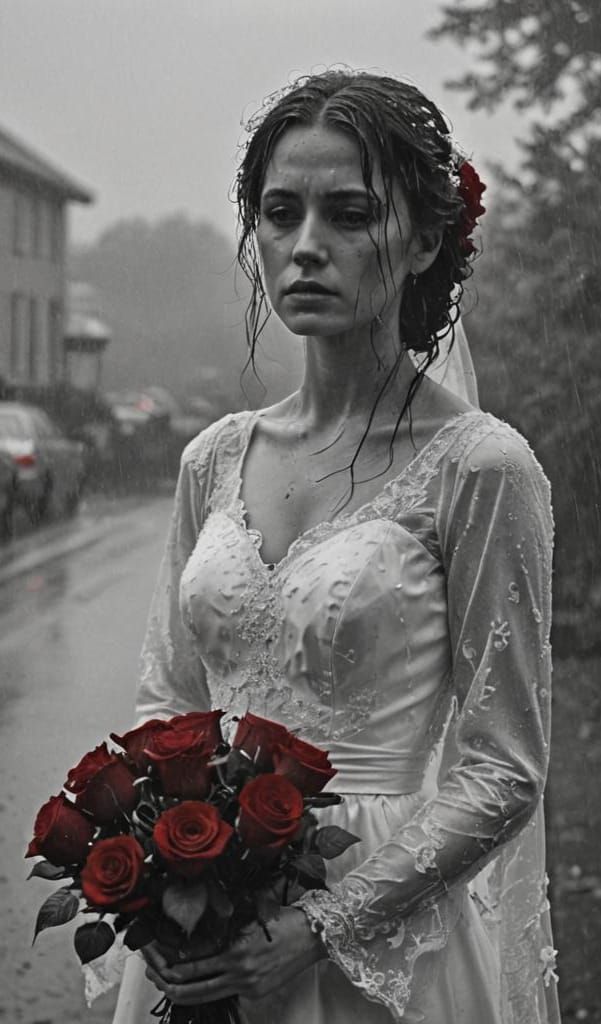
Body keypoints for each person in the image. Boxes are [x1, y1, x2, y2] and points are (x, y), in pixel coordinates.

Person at [108, 70, 560, 1023]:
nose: (306, 244)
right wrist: (161, 871)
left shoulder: (480, 467)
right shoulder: (213, 458)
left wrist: (321, 925)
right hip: (207, 925)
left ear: (423, 239)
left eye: (349, 214)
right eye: (281, 213)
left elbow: (503, 768)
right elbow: (170, 699)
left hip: (386, 929)